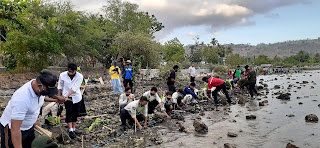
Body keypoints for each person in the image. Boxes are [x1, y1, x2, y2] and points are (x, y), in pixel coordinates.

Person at [0, 71, 60, 148]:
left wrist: (56, 99)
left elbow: (42, 97)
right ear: (40, 86)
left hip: (29, 127)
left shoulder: (38, 88)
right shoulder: (22, 98)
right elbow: (15, 128)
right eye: (48, 91)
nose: (49, 93)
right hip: (12, 129)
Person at [58, 63, 84, 139]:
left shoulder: (80, 76)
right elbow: (60, 86)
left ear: (75, 71)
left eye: (72, 72)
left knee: (75, 113)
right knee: (69, 112)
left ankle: (74, 129)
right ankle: (70, 130)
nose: (70, 73)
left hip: (76, 97)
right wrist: (59, 96)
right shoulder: (62, 75)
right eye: (69, 71)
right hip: (66, 97)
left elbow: (75, 88)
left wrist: (66, 96)